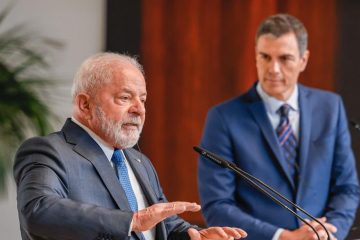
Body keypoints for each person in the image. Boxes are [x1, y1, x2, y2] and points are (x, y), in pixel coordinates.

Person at [13, 52, 248, 240]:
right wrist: (131, 221)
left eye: (143, 99)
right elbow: (38, 211)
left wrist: (194, 235)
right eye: (125, 98)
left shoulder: (138, 161)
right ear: (85, 104)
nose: (139, 109)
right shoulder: (48, 151)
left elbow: (161, 222)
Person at [198, 13, 360, 240]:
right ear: (255, 56)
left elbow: (347, 187)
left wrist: (329, 231)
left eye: (284, 59)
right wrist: (283, 236)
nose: (273, 69)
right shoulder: (223, 118)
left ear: (303, 60)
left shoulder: (330, 107)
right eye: (265, 57)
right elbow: (217, 205)